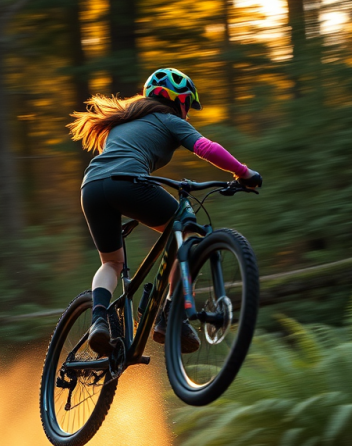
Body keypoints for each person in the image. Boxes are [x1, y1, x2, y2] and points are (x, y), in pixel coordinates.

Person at [68, 67, 262, 357]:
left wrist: (131, 211)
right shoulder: (170, 120)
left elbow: (115, 167)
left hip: (92, 189)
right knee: (187, 230)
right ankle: (171, 315)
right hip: (128, 183)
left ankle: (100, 320)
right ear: (180, 101)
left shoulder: (123, 123)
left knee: (111, 264)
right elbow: (206, 148)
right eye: (188, 107)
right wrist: (243, 173)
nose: (188, 114)